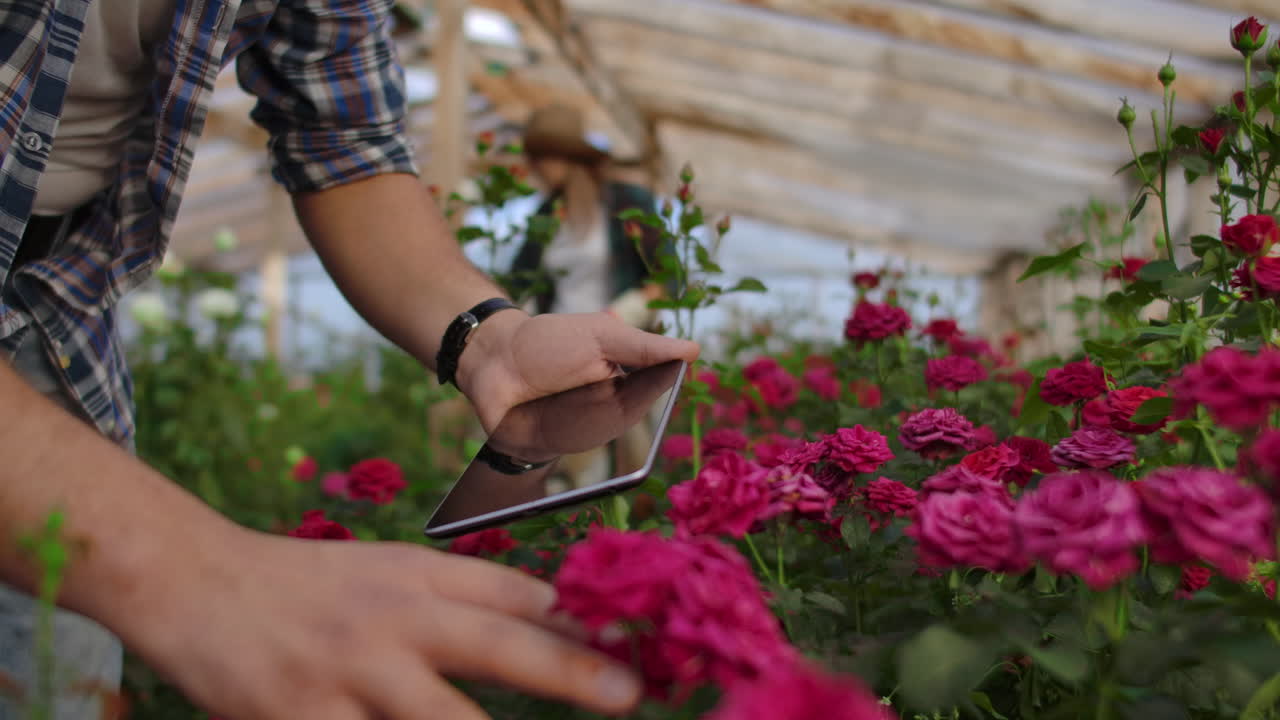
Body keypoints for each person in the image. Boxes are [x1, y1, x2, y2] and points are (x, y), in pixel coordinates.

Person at [0, 4, 698, 720]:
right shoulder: (547, 217)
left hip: (59, 305)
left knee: (56, 674)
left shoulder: (623, 203)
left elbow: (343, 145)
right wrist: (197, 568)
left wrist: (491, 340)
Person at [509, 105, 668, 488]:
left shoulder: (628, 204)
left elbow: (668, 278)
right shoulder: (545, 216)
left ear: (567, 158)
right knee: (572, 456)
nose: (537, 167)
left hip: (617, 344)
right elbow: (519, 281)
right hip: (559, 351)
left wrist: (622, 316)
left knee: (625, 455)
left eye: (543, 157)